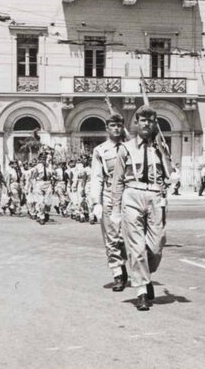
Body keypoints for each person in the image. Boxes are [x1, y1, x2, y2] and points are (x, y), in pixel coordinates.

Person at [112, 105, 171, 311]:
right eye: (143, 120)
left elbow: (169, 175)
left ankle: (145, 276)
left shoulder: (160, 148)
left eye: (151, 120)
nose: (147, 124)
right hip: (132, 195)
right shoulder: (125, 148)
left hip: (155, 196)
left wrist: (164, 154)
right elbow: (117, 181)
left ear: (155, 124)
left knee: (156, 245)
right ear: (136, 123)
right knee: (136, 247)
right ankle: (142, 292)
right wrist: (115, 211)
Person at [91, 113, 129, 292]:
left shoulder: (130, 146)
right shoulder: (100, 150)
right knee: (111, 238)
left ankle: (128, 264)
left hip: (129, 194)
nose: (116, 129)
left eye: (119, 125)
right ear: (107, 128)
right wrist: (95, 202)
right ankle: (118, 273)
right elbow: (97, 177)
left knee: (128, 237)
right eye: (113, 126)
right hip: (109, 194)